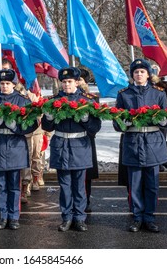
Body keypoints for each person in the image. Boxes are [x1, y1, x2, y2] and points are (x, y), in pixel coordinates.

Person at [41, 67, 101, 232]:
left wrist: (86, 119)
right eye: (64, 82)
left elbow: (95, 127)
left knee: (79, 186)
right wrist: (49, 117)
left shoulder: (88, 100)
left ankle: (80, 218)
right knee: (65, 185)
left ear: (76, 82)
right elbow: (46, 126)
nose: (67, 84)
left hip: (80, 145)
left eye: (70, 81)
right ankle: (66, 217)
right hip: (61, 145)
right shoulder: (53, 101)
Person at [113, 59, 167, 233]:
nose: (139, 74)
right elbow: (117, 124)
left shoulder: (158, 93)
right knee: (135, 185)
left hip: (153, 143)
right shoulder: (124, 94)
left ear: (148, 74)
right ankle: (137, 217)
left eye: (142, 71)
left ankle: (150, 217)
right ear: (132, 75)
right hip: (133, 143)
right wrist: (124, 121)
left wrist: (164, 120)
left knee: (152, 185)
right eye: (136, 72)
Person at [0, 69, 38, 230]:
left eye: (8, 83)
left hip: (15, 145)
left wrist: (17, 127)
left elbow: (32, 124)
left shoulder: (22, 101)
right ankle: (3, 216)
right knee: (2, 185)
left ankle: (14, 216)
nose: (4, 86)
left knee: (14, 185)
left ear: (14, 84)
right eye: (2, 83)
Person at [78, 68, 99, 213]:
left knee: (86, 174)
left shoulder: (91, 98)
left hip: (86, 138)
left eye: (79, 79)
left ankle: (86, 199)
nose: (77, 82)